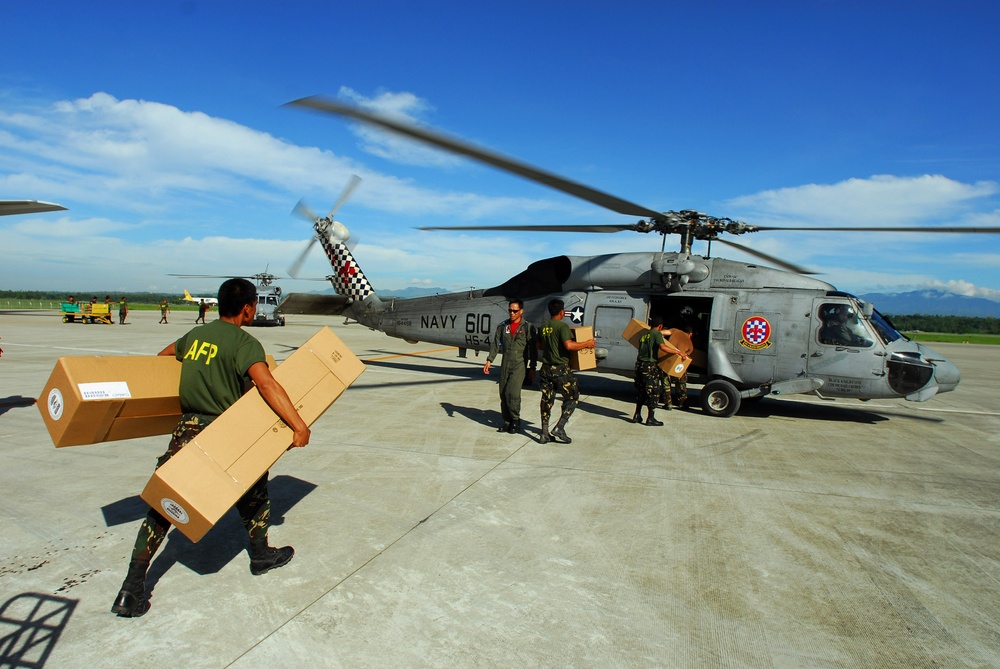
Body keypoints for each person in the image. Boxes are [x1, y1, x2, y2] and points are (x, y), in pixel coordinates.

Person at [111, 278, 311, 618]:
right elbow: (266, 384)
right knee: (255, 493)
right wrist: (298, 425)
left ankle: (131, 588)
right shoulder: (245, 343)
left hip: (187, 430)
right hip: (224, 431)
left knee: (164, 505)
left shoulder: (195, 337)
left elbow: (162, 359)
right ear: (248, 308)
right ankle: (260, 555)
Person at [537, 299, 595, 444]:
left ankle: (544, 433)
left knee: (546, 400)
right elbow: (569, 346)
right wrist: (587, 344)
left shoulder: (543, 327)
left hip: (545, 368)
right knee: (573, 396)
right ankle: (559, 427)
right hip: (560, 369)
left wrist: (551, 349)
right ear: (562, 312)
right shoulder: (562, 326)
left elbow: (539, 345)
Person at [484, 299, 537, 434]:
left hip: (519, 364)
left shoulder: (527, 327)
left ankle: (515, 419)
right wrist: (489, 360)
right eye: (510, 310)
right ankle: (507, 422)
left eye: (515, 311)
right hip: (505, 362)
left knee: (512, 393)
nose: (512, 313)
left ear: (521, 311)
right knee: (503, 393)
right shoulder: (503, 326)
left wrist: (533, 367)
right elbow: (496, 344)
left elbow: (533, 349)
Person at [634, 317, 687, 426]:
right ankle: (651, 418)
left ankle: (637, 415)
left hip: (639, 365)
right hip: (649, 366)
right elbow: (663, 347)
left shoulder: (644, 335)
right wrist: (678, 352)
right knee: (654, 392)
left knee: (642, 391)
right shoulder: (656, 334)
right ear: (660, 326)